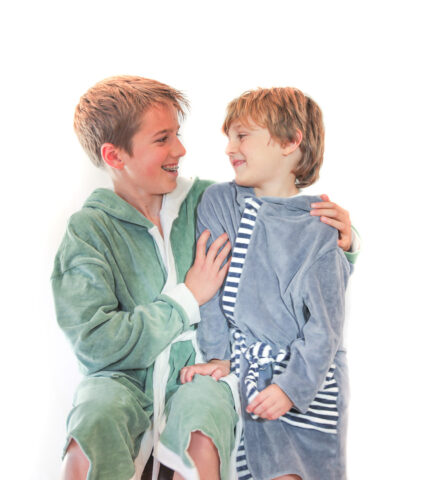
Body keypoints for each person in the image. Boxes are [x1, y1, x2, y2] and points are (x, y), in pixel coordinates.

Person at [51, 75, 356, 480]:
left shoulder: (212, 200)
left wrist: (345, 239)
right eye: (162, 139)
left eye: (177, 134)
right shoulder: (88, 232)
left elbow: (283, 230)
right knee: (92, 425)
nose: (181, 149)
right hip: (122, 381)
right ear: (114, 155)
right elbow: (95, 344)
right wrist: (187, 297)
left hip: (203, 374)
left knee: (202, 423)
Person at [173, 87, 354, 480]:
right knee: (256, 466)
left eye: (242, 136)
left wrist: (291, 388)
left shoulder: (320, 226)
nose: (229, 148)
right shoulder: (220, 203)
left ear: (290, 142)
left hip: (310, 381)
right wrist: (217, 356)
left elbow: (326, 328)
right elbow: (211, 293)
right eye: (228, 137)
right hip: (247, 372)